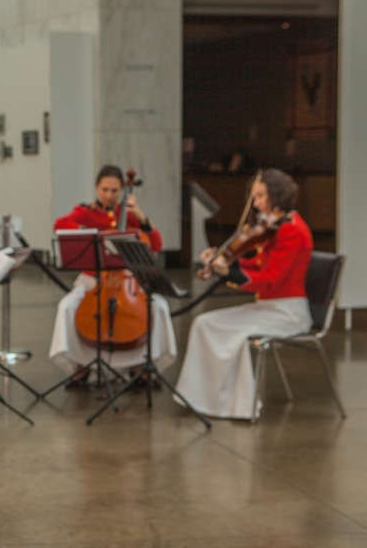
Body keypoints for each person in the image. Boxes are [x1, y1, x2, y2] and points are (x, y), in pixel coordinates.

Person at [175, 168, 313, 419]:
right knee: (204, 323)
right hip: (268, 309)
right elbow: (258, 266)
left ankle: (232, 403)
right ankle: (204, 398)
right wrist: (222, 261)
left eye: (260, 196)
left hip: (287, 312)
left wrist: (228, 274)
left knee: (219, 327)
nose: (256, 202)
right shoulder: (274, 227)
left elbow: (270, 280)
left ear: (277, 195)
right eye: (255, 196)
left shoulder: (292, 229)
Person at [48, 164, 177, 385]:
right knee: (67, 307)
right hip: (92, 281)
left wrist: (141, 216)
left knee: (159, 308)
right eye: (104, 189)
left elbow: (156, 243)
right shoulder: (86, 211)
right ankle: (79, 366)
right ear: (97, 188)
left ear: (121, 191)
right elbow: (60, 224)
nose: (109, 195)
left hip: (128, 282)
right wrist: (91, 233)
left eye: (115, 190)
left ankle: (143, 365)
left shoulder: (129, 214)